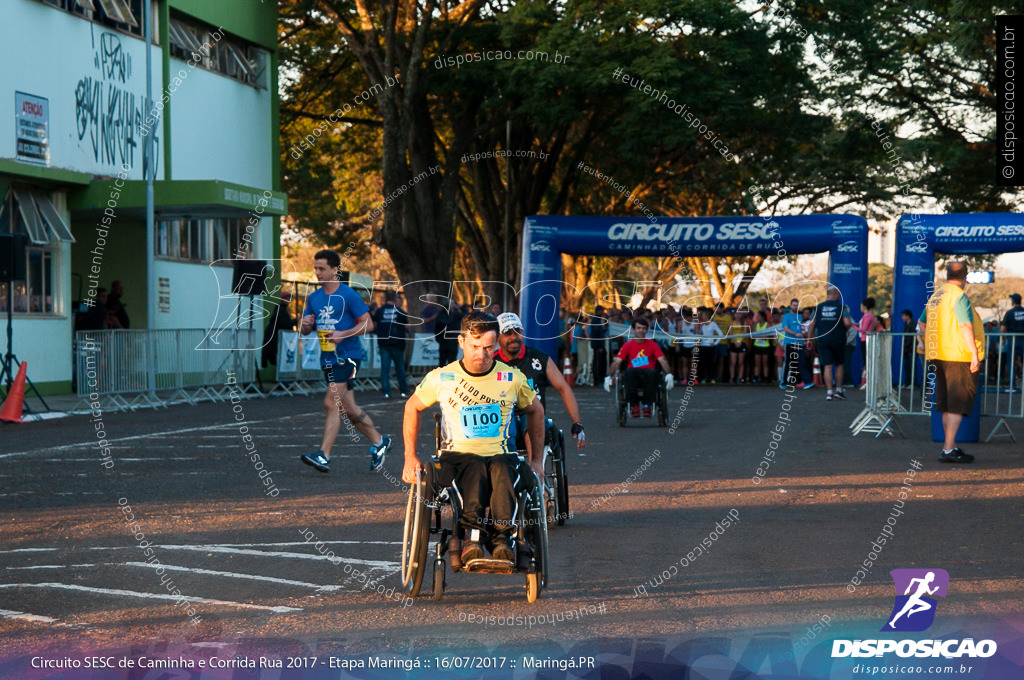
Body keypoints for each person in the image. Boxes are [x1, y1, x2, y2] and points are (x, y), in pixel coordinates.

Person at [402, 311, 544, 563]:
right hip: (457, 458)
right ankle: (472, 536)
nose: (482, 355)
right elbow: (412, 407)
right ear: (461, 342)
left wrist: (537, 461)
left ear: (497, 342)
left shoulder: (511, 378)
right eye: (475, 347)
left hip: (500, 455)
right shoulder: (441, 377)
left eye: (488, 348)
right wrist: (409, 456)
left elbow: (536, 411)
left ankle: (502, 539)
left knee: (501, 466)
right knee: (475, 466)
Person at [299, 249, 392, 474]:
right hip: (327, 357)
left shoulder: (348, 295)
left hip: (348, 357)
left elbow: (368, 325)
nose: (318, 273)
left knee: (331, 403)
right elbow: (304, 330)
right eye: (316, 269)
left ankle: (324, 455)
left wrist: (344, 334)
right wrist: (306, 325)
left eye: (322, 269)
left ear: (335, 270)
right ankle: (380, 442)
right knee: (349, 408)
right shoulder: (314, 298)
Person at [918, 261, 985, 464]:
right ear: (965, 278)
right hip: (958, 356)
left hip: (938, 355)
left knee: (947, 405)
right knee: (957, 404)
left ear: (947, 275)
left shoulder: (936, 295)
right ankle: (948, 448)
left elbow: (922, 323)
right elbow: (965, 325)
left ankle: (950, 445)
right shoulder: (958, 296)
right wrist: (974, 353)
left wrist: (932, 341)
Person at [495, 312, 587, 452]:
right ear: (497, 338)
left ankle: (535, 471)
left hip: (533, 417)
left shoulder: (539, 358)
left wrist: (577, 422)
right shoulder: (491, 363)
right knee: (505, 423)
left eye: (517, 332)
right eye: (508, 333)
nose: (514, 337)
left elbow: (564, 388)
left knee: (531, 421)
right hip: (504, 417)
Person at [605, 317, 674, 417]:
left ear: (646, 330)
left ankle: (647, 405)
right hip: (633, 374)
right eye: (638, 328)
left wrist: (669, 374)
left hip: (649, 373)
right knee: (629, 373)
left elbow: (662, 360)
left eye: (643, 328)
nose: (641, 330)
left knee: (652, 373)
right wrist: (608, 376)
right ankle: (634, 405)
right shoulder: (627, 345)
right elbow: (617, 362)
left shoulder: (653, 345)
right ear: (633, 330)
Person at [806, 285, 851, 400]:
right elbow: (847, 323)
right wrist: (844, 330)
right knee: (840, 364)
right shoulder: (842, 307)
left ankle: (829, 392)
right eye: (838, 295)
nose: (839, 297)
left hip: (823, 339)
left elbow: (811, 324)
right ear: (835, 294)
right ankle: (839, 390)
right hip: (838, 339)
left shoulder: (818, 308)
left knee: (827, 365)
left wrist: (809, 339)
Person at [373, 290, 410, 398]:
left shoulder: (379, 311)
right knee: (399, 368)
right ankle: (403, 390)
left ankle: (386, 392)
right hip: (397, 343)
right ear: (395, 299)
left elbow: (375, 326)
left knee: (385, 369)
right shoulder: (400, 311)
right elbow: (406, 326)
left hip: (383, 343)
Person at [781, 299, 812, 389]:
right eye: (794, 305)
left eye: (796, 305)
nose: (795, 307)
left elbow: (804, 329)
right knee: (788, 363)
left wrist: (805, 338)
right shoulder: (786, 316)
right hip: (790, 342)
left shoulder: (800, 317)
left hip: (800, 342)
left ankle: (807, 381)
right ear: (790, 306)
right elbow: (785, 328)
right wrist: (795, 334)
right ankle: (783, 382)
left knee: (802, 362)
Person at [261, 290, 295, 367]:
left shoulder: (283, 310)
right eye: (286, 298)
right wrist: (293, 322)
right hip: (276, 339)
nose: (288, 300)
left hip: (280, 339)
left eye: (289, 298)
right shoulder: (279, 310)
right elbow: (282, 323)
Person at [999, 293, 1024, 388]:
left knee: (1011, 363)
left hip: (1012, 340)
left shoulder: (1009, 313)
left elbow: (1003, 328)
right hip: (1022, 339)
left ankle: (1012, 385)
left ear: (1013, 301)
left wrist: (1002, 339)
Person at [434, 296, 461, 367]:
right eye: (451, 303)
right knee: (442, 362)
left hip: (453, 342)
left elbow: (465, 314)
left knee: (452, 363)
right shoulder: (442, 314)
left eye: (453, 303)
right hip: (444, 342)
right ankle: (441, 377)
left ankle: (451, 377)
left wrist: (460, 307)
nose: (452, 305)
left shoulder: (456, 314)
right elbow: (440, 326)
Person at [588, 305, 610, 385]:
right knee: (598, 362)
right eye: (601, 311)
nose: (603, 313)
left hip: (598, 344)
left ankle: (599, 378)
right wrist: (600, 346)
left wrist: (604, 328)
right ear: (598, 311)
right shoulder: (595, 321)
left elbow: (599, 331)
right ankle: (598, 379)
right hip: (598, 345)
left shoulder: (597, 320)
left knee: (600, 361)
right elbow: (597, 333)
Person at [751, 310, 772, 384]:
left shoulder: (767, 324)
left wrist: (759, 336)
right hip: (757, 345)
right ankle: (757, 376)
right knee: (757, 362)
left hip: (765, 346)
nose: (757, 318)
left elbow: (768, 336)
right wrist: (761, 336)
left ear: (762, 317)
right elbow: (753, 334)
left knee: (765, 362)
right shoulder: (755, 324)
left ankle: (765, 377)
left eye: (759, 316)